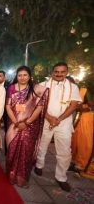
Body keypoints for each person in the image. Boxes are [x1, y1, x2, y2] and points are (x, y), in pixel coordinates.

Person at [34, 62, 81, 192]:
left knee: (64, 151)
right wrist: (49, 117)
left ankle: (61, 177)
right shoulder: (43, 85)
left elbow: (73, 105)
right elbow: (38, 104)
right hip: (45, 120)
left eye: (62, 72)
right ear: (52, 72)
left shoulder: (73, 87)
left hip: (64, 123)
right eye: (56, 72)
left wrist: (58, 119)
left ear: (67, 72)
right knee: (42, 145)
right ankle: (39, 165)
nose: (59, 74)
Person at [5, 66, 49, 188]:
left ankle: (22, 178)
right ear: (16, 76)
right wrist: (15, 122)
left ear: (29, 76)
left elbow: (39, 108)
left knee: (26, 151)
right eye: (19, 75)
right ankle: (11, 175)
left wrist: (27, 122)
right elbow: (8, 106)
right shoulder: (12, 88)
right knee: (12, 149)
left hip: (30, 126)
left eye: (25, 75)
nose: (22, 77)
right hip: (14, 125)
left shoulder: (36, 89)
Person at [71, 85, 94, 172]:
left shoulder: (84, 91)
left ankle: (80, 165)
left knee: (83, 142)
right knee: (73, 142)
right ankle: (73, 162)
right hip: (73, 119)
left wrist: (83, 109)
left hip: (85, 119)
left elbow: (92, 105)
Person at [0, 70, 11, 154]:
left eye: (0, 76)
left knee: (7, 131)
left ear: (4, 77)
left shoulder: (10, 86)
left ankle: (7, 150)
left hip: (6, 112)